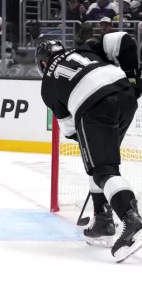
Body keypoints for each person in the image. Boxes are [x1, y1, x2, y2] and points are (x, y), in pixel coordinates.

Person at [36, 32, 142, 263]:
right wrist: (134, 78)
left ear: (43, 62)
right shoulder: (85, 49)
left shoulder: (47, 86)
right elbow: (124, 40)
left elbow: (71, 131)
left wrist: (90, 146)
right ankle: (102, 221)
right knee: (100, 163)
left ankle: (131, 219)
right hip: (124, 94)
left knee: (102, 169)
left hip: (94, 106)